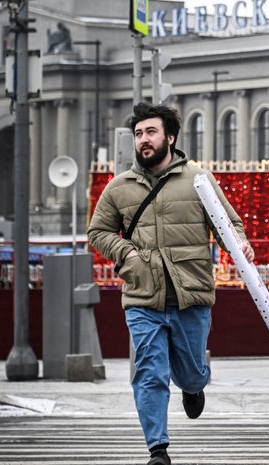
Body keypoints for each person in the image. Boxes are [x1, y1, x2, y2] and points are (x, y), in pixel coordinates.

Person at [88, 103, 254, 465]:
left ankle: (194, 389)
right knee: (149, 370)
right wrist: (127, 254)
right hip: (142, 296)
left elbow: (230, 225)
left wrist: (240, 245)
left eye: (151, 132)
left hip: (190, 293)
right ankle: (157, 449)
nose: (143, 140)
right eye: (138, 134)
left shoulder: (198, 179)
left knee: (191, 371)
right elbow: (97, 232)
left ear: (170, 137)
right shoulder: (120, 188)